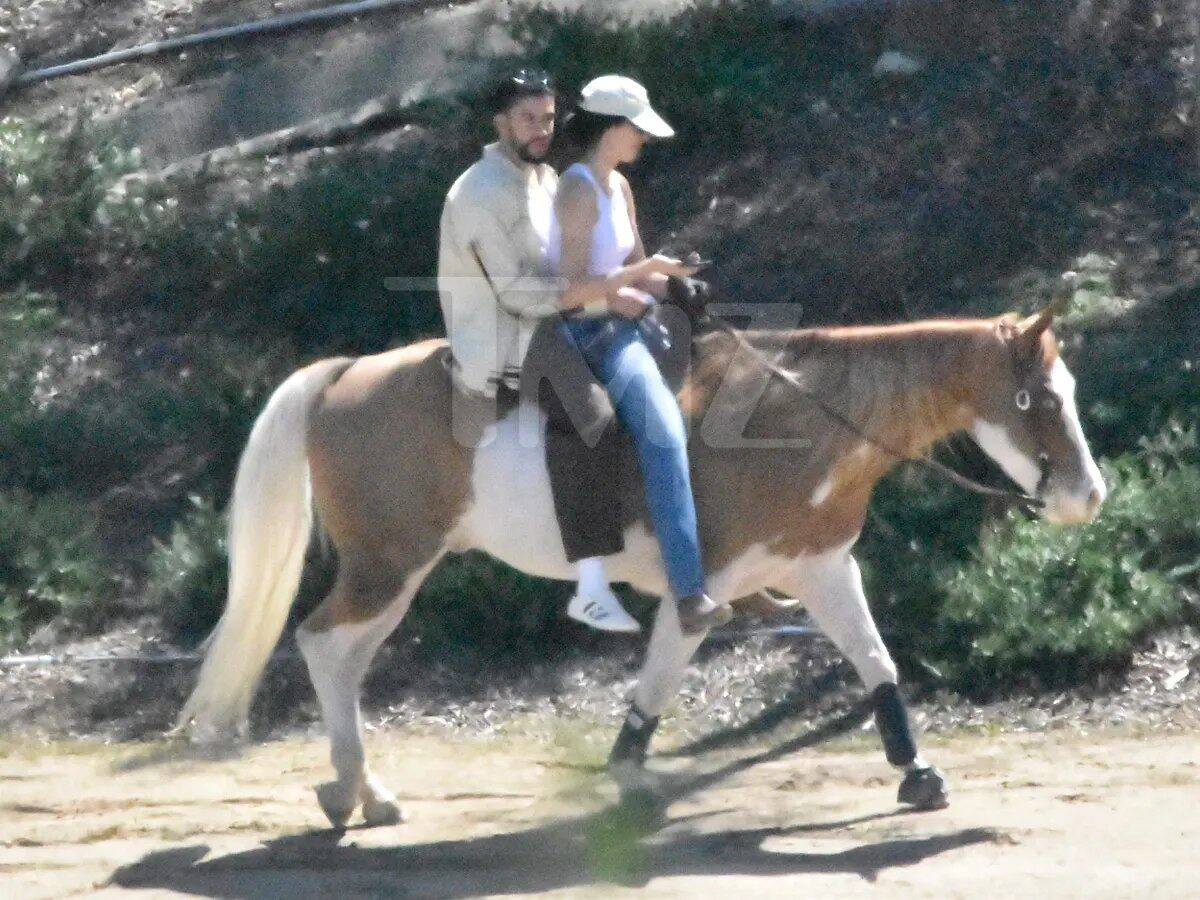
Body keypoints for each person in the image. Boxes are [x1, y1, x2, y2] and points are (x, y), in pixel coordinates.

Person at [437, 68, 640, 632]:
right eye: (528, 119)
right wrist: (606, 298)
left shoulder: (548, 180)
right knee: (594, 416)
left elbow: (575, 268)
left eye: (549, 118)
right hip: (510, 340)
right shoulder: (476, 193)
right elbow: (521, 294)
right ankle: (592, 585)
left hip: (562, 321)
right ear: (500, 122)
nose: (541, 129)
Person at [548, 74, 731, 635]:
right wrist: (643, 276)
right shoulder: (577, 190)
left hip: (631, 322)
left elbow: (635, 269)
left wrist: (673, 284)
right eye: (638, 130)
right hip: (590, 337)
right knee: (665, 431)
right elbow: (567, 292)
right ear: (612, 128)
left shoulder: (619, 186)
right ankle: (688, 591)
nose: (644, 141)